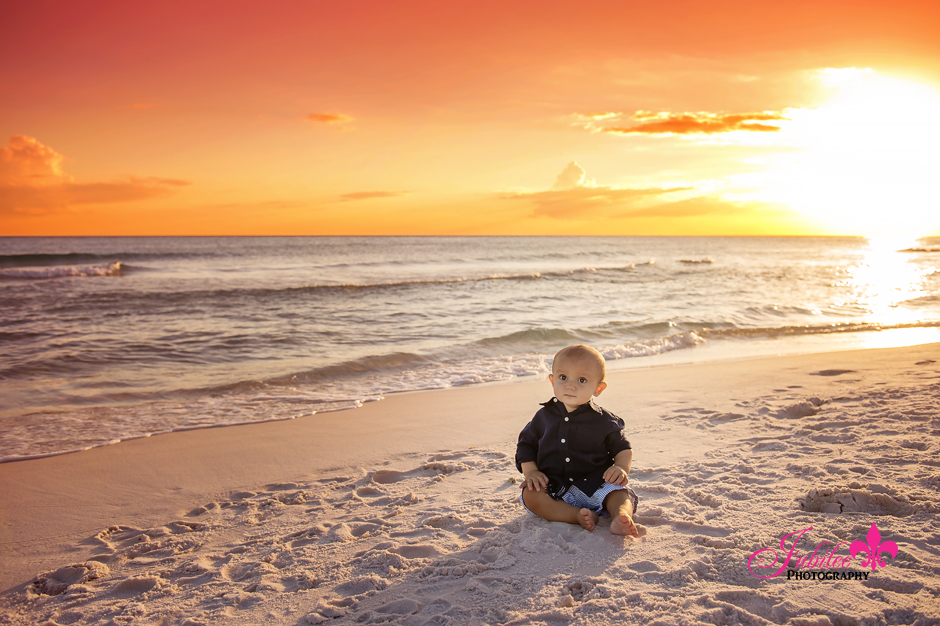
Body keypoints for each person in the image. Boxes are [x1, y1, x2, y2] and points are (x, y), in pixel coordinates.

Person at [515, 344, 639, 536]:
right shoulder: (543, 417)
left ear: (598, 388)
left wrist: (621, 468)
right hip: (555, 486)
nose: (570, 386)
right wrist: (531, 472)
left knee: (619, 492)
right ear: (552, 380)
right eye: (563, 378)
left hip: (596, 484)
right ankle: (576, 515)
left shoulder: (604, 420)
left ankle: (620, 516)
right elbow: (526, 444)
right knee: (531, 495)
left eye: (582, 380)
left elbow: (623, 448)